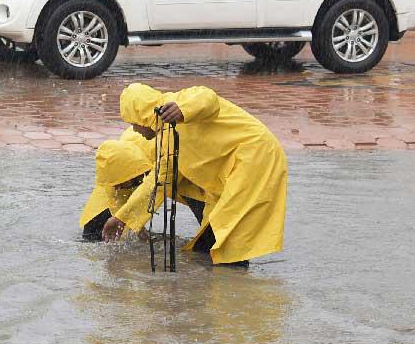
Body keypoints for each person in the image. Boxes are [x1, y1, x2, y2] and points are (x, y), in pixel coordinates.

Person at [102, 83, 288, 266]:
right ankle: (221, 287)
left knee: (227, 242)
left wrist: (183, 110)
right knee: (210, 242)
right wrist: (121, 218)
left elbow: (208, 97)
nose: (135, 130)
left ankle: (231, 287)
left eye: (134, 124)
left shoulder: (177, 102)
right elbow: (158, 183)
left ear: (143, 116)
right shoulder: (167, 139)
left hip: (256, 157)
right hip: (237, 169)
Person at [81, 129, 207, 240]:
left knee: (209, 234)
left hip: (194, 178)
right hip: (156, 175)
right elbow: (118, 197)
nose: (118, 188)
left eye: (120, 184)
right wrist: (133, 226)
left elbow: (155, 187)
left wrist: (123, 219)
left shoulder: (163, 149)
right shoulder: (119, 159)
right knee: (92, 232)